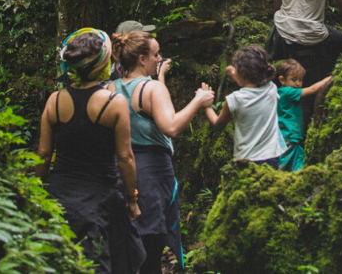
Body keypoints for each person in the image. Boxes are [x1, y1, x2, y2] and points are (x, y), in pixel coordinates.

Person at [36, 28, 144, 273]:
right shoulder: (113, 103)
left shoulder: (53, 101)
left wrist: (36, 195)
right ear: (102, 65)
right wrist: (132, 199)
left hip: (59, 198)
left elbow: (43, 154)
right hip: (100, 201)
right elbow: (125, 157)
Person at [109, 30, 214, 274]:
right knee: (150, 248)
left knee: (122, 249)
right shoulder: (152, 89)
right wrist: (198, 101)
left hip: (117, 173)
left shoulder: (109, 88)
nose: (159, 59)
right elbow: (171, 127)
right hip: (151, 175)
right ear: (142, 59)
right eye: (155, 55)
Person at [205, 45, 288, 166]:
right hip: (272, 155)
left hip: (246, 158)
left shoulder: (234, 99)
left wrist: (206, 107)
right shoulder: (271, 89)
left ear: (243, 74)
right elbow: (251, 86)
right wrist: (235, 73)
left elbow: (218, 125)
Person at [271, 59, 332, 171]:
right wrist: (329, 79)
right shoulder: (288, 92)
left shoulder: (280, 92)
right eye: (294, 80)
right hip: (288, 135)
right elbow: (312, 89)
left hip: (291, 135)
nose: (298, 84)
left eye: (300, 80)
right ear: (282, 80)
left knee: (298, 160)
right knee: (285, 162)